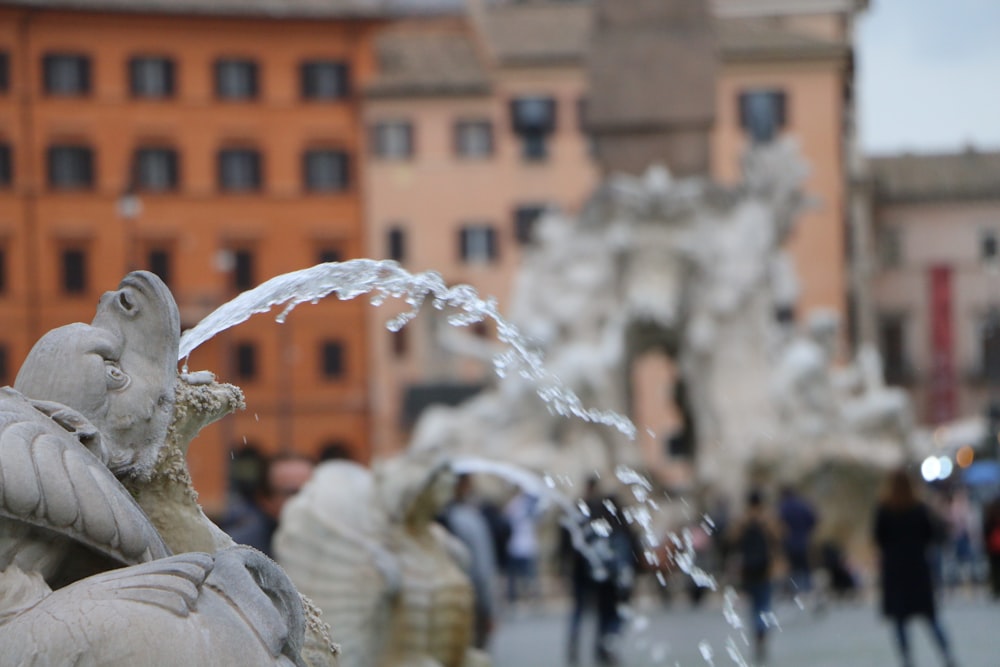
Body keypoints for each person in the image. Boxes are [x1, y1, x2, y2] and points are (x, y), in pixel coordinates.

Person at [873, 467, 958, 667]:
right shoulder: (919, 508)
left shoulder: (884, 509)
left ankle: (906, 660)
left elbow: (878, 537)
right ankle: (947, 657)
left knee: (900, 621)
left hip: (895, 570)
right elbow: (932, 534)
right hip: (917, 568)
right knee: (931, 618)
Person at [441, 474, 500, 649]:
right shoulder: (470, 520)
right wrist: (489, 609)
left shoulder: (440, 520)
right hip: (469, 601)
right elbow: (483, 570)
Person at [225, 451, 315, 557]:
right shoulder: (239, 550)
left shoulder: (333, 541)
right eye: (293, 493)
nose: (305, 501)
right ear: (265, 499)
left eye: (312, 492)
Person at [732, 489, 780, 665]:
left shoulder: (743, 521)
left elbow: (731, 540)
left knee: (754, 608)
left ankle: (758, 636)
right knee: (763, 605)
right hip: (764, 571)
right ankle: (761, 636)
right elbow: (779, 538)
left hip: (747, 571)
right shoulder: (766, 521)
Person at [777, 485, 818, 600]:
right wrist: (807, 531)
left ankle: (794, 592)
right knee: (804, 567)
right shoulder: (803, 506)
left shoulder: (783, 507)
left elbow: (778, 524)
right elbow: (813, 519)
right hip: (803, 541)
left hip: (789, 542)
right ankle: (807, 591)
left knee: (791, 568)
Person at [503, 489, 542, 604]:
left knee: (527, 575)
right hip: (519, 545)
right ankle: (520, 597)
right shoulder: (517, 504)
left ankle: (530, 597)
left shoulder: (526, 505)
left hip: (524, 545)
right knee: (521, 576)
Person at [982, 494, 1000, 599]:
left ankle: (995, 588)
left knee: (994, 569)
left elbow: (986, 532)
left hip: (992, 547)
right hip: (994, 547)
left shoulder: (990, 517)